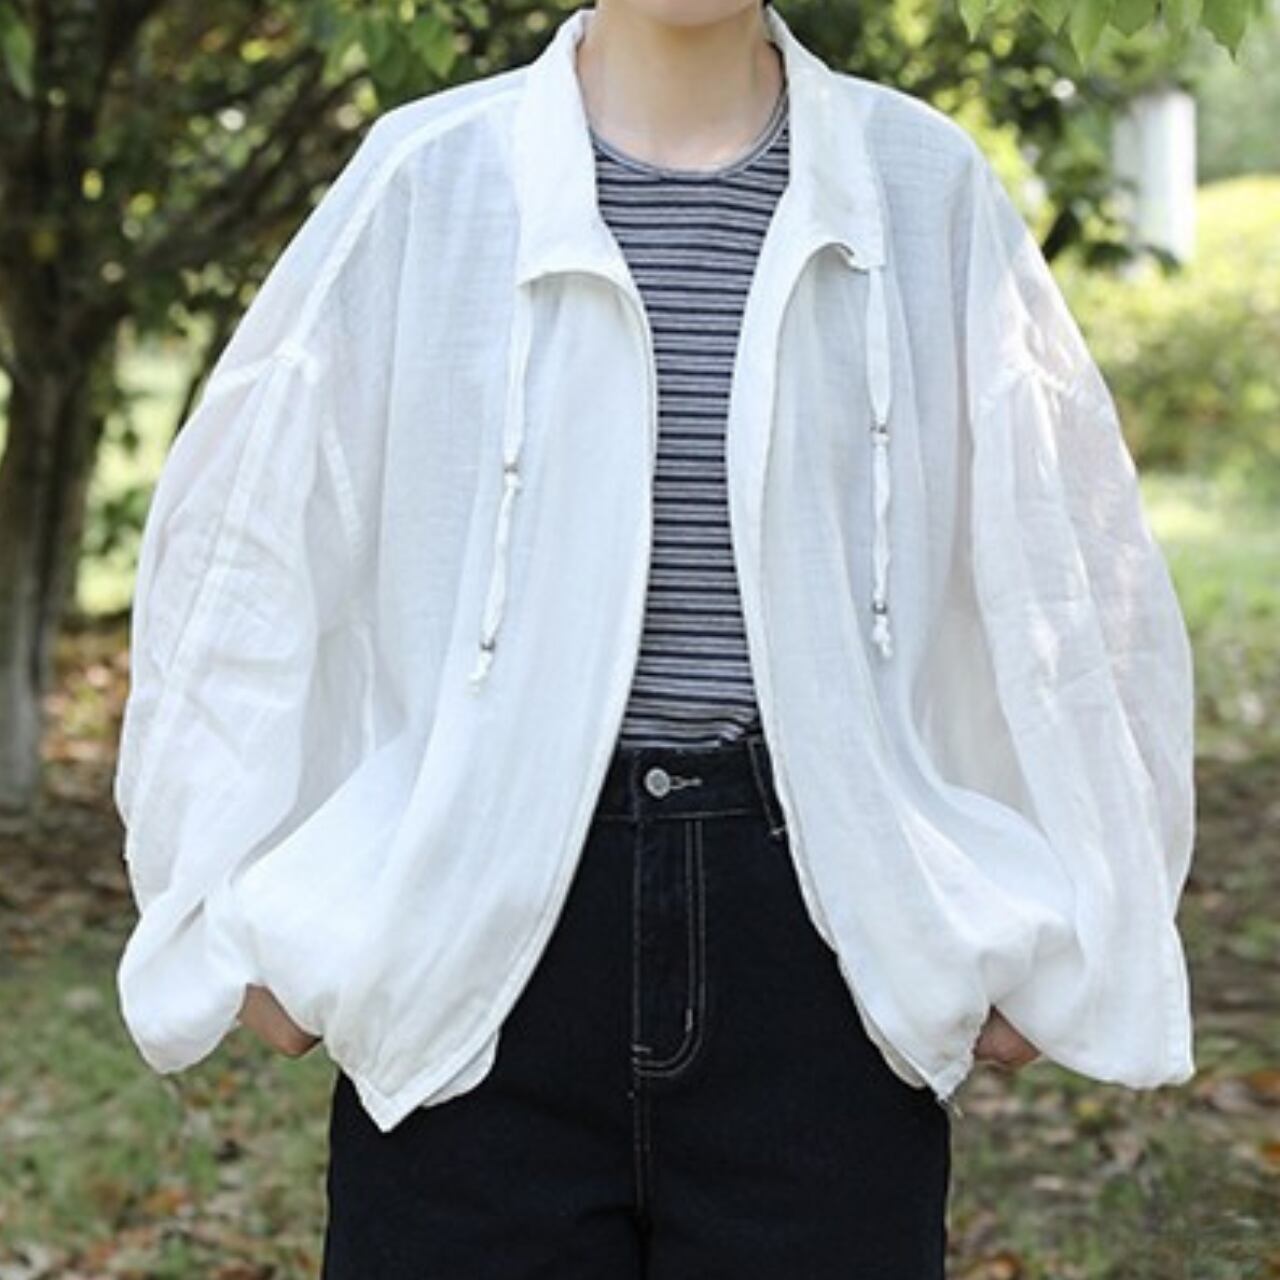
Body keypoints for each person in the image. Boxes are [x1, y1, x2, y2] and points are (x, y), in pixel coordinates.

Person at [114, 1, 1197, 1276]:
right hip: (473, 934)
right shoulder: (430, 174)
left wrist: (1090, 911)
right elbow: (241, 540)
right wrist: (211, 902)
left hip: (821, 944)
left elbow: (1067, 556)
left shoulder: (917, 182)